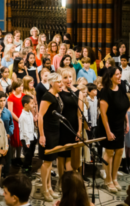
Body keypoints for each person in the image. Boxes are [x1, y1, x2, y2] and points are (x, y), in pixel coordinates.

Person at [97, 67, 130, 194]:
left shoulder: (121, 87)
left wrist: (126, 122)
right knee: (110, 152)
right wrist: (108, 131)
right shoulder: (105, 92)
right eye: (117, 74)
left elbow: (124, 106)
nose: (119, 76)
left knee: (120, 150)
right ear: (110, 76)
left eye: (120, 74)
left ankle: (115, 177)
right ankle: (108, 180)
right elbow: (103, 114)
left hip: (119, 123)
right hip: (108, 125)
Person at [38, 72, 63, 201]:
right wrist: (42, 135)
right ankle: (44, 189)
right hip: (47, 131)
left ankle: (50, 187)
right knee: (47, 162)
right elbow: (40, 116)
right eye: (59, 82)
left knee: (51, 161)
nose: (61, 83)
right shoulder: (47, 96)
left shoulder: (57, 95)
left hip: (55, 130)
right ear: (52, 82)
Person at [57, 70, 83, 188]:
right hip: (61, 126)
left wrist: (79, 130)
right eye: (65, 77)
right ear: (61, 79)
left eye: (70, 77)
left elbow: (79, 114)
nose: (68, 79)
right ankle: (60, 180)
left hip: (73, 125)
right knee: (61, 155)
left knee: (70, 154)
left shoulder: (77, 92)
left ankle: (67, 183)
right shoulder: (59, 92)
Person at [8, 79, 25, 167]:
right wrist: (18, 120)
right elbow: (10, 111)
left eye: (22, 86)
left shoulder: (24, 96)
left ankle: (19, 157)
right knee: (14, 140)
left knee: (21, 140)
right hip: (15, 121)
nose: (21, 88)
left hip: (22, 120)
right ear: (15, 87)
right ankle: (12, 158)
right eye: (19, 86)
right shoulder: (11, 97)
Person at [19, 95, 37, 175]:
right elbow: (24, 130)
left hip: (32, 137)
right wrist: (27, 141)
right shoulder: (23, 116)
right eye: (31, 103)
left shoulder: (29, 113)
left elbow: (31, 126)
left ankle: (29, 168)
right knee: (27, 155)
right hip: (27, 139)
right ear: (25, 104)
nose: (33, 105)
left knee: (31, 155)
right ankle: (25, 170)